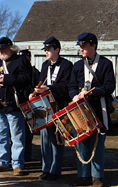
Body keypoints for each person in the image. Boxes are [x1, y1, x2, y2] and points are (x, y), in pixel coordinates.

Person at [69, 32, 115, 187]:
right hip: (80, 111)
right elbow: (71, 86)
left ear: (93, 45)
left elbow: (109, 86)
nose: (81, 49)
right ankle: (83, 176)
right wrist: (75, 95)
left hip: (98, 109)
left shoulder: (106, 64)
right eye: (80, 46)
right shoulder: (77, 66)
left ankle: (96, 177)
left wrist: (90, 93)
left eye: (84, 46)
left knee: (97, 144)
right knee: (82, 144)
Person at [29, 36, 73, 181]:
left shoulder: (67, 65)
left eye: (49, 49)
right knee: (44, 140)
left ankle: (55, 169)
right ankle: (46, 168)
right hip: (44, 106)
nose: (46, 52)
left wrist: (48, 88)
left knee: (57, 139)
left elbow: (66, 87)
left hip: (58, 106)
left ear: (57, 49)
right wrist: (35, 92)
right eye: (46, 50)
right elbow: (39, 84)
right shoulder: (44, 65)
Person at [0, 37, 32, 176]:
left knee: (17, 137)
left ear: (11, 49)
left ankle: (17, 164)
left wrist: (6, 79)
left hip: (14, 105)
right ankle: (3, 162)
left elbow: (26, 79)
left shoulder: (21, 61)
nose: (2, 51)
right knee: (1, 136)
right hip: (0, 106)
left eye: (4, 48)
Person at [19, 49, 40, 162]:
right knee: (17, 132)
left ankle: (27, 155)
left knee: (28, 131)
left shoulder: (34, 72)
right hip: (19, 104)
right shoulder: (18, 71)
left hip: (31, 104)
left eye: (25, 57)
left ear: (29, 58)